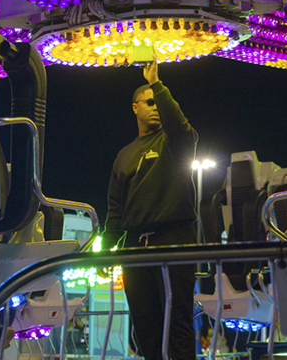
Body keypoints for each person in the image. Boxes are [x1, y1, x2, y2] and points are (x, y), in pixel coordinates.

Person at [102, 56, 198, 360]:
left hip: (174, 238)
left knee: (178, 322)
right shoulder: (124, 155)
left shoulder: (175, 143)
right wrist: (107, 249)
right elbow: (115, 209)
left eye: (158, 102)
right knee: (145, 327)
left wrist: (157, 84)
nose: (155, 106)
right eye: (149, 102)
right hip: (134, 248)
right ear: (135, 108)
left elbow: (182, 129)